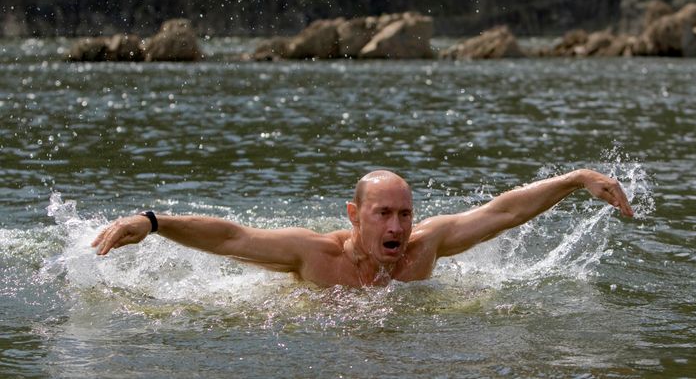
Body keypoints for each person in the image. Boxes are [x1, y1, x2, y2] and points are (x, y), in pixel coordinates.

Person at [93, 169, 633, 287]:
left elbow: (502, 212)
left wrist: (577, 179)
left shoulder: (426, 249)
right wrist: (153, 221)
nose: (398, 225)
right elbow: (232, 237)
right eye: (383, 214)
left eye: (404, 213)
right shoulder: (313, 255)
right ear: (354, 217)